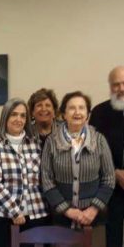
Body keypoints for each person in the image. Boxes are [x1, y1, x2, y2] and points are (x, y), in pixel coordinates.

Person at [41, 91, 115, 231]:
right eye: (72, 108)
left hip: (94, 218)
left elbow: (109, 178)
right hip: (61, 218)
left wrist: (92, 210)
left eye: (82, 108)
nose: (77, 112)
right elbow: (46, 180)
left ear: (87, 114)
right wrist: (68, 211)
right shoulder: (51, 141)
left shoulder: (99, 140)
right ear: (63, 114)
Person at [0, 98, 49, 247]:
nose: (18, 119)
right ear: (5, 117)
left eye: (23, 115)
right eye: (14, 114)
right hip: (2, 219)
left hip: (35, 216)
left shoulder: (36, 144)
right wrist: (14, 211)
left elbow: (43, 178)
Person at [89, 66, 124, 247]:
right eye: (116, 84)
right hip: (112, 189)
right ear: (110, 87)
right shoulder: (99, 113)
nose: (121, 89)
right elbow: (91, 153)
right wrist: (115, 172)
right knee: (113, 239)